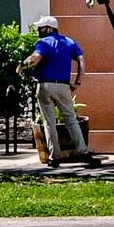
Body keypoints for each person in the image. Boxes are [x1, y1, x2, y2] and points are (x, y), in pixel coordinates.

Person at [25, 16, 99, 167]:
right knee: (71, 120)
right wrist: (77, 82)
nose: (39, 30)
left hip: (45, 86)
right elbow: (81, 61)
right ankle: (83, 153)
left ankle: (55, 157)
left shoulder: (43, 43)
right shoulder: (69, 42)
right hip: (63, 86)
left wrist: (23, 65)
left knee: (49, 122)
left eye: (41, 27)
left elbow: (36, 58)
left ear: (49, 28)